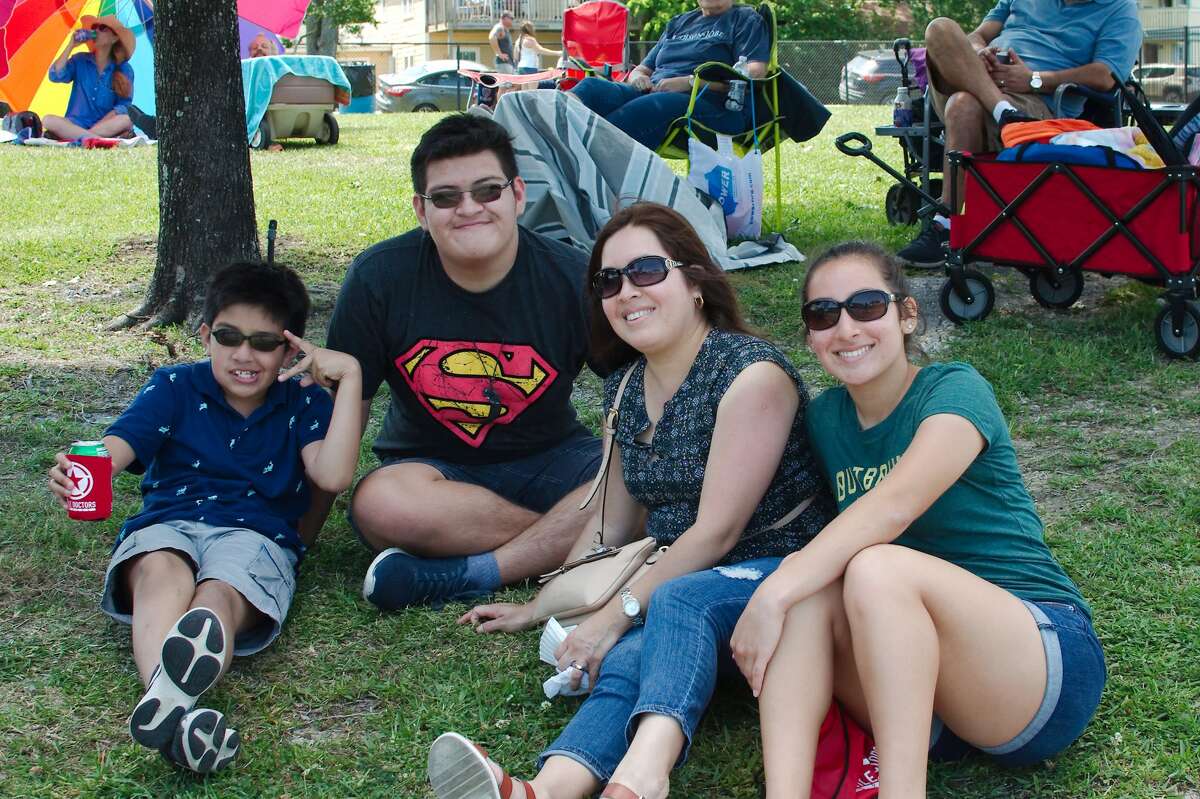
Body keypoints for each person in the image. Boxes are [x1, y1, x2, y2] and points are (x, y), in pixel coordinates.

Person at [425, 203, 832, 799]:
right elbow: (612, 525)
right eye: (608, 281)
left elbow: (715, 533)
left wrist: (613, 615)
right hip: (680, 584)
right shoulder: (625, 388)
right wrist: (545, 607)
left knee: (672, 604)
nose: (625, 292)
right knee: (625, 658)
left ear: (694, 280)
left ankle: (640, 782)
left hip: (779, 571)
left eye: (646, 270)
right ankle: (544, 790)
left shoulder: (751, 375)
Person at [730, 242, 1106, 797]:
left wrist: (771, 592)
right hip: (928, 700)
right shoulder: (825, 419)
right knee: (809, 590)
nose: (846, 327)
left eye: (866, 305)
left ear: (906, 315)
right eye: (824, 314)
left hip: (1037, 664)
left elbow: (896, 504)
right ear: (810, 336)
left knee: (871, 569)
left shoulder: (954, 389)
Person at [46, 262, 364, 774]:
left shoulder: (303, 401)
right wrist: (80, 469)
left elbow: (332, 475)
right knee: (159, 568)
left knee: (220, 592)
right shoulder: (175, 386)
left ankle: (167, 706)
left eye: (264, 342)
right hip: (170, 522)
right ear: (205, 336)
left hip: (256, 534)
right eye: (228, 336)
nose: (244, 354)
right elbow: (117, 448)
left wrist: (349, 377)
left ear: (291, 351)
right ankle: (173, 704)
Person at [326, 114, 602, 611]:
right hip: (432, 473)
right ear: (420, 209)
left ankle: (473, 572)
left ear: (518, 195)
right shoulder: (378, 278)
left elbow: (639, 391)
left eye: (487, 190)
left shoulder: (573, 277)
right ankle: (586, 548)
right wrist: (295, 533)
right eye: (446, 197)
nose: (469, 208)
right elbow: (344, 413)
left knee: (643, 478)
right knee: (380, 503)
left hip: (556, 460)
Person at [898, 0, 1141, 266]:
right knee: (940, 27)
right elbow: (977, 35)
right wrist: (980, 53)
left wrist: (1034, 79)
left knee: (962, 104)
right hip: (986, 86)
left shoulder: (1119, 9)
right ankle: (1003, 112)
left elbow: (1106, 75)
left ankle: (945, 223)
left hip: (1036, 103)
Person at [570, 0, 768, 150]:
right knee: (591, 88)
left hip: (712, 104)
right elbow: (642, 68)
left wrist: (690, 83)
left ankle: (582, 158)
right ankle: (559, 136)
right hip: (652, 90)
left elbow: (755, 72)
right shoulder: (680, 22)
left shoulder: (745, 19)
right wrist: (638, 77)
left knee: (642, 109)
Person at [43, 15, 136, 141]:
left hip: (104, 126)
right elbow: (55, 75)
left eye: (102, 28)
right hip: (75, 123)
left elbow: (123, 106)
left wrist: (97, 127)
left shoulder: (124, 69)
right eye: (94, 27)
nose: (96, 31)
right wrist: (71, 45)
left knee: (127, 119)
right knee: (48, 120)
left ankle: (82, 137)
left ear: (114, 38)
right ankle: (95, 139)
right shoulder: (79, 59)